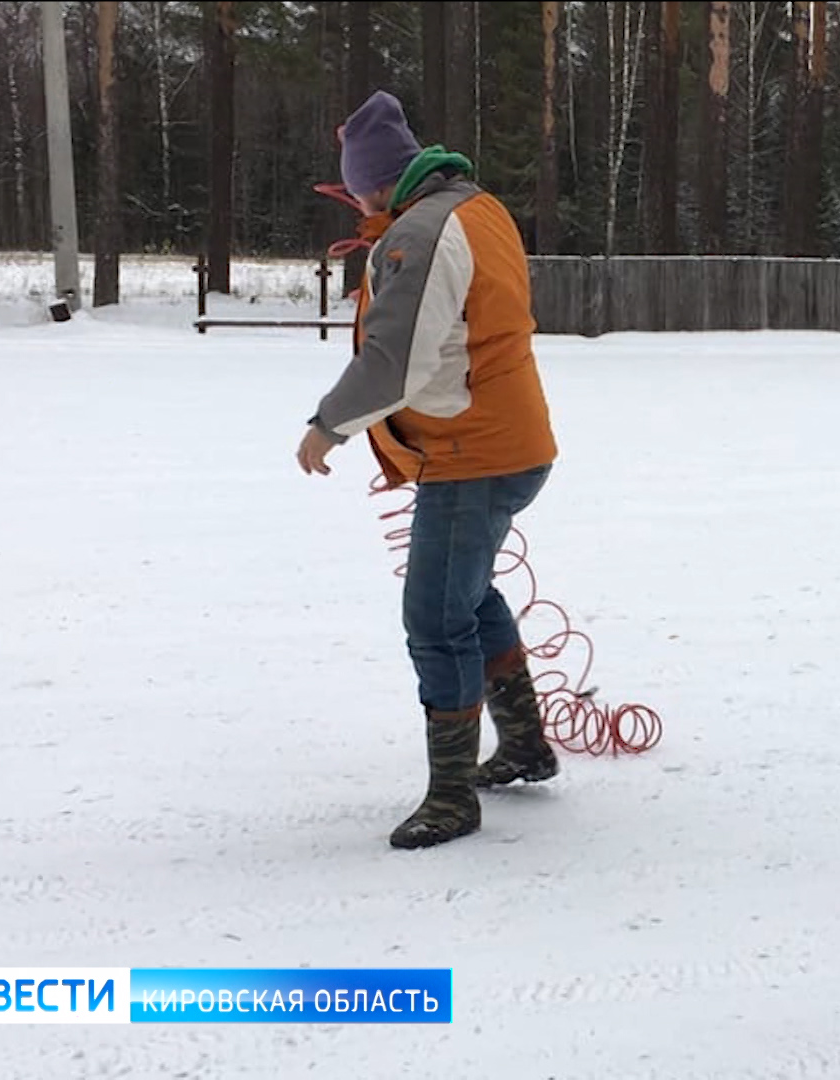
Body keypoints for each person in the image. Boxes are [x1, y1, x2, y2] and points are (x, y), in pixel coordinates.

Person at [297, 89, 563, 850]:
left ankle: (452, 797)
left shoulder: (423, 231)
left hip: (470, 453)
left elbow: (395, 360)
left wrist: (329, 425)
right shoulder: (477, 207)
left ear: (369, 181)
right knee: (468, 596)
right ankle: (525, 744)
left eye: (353, 188)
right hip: (503, 441)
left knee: (434, 618)